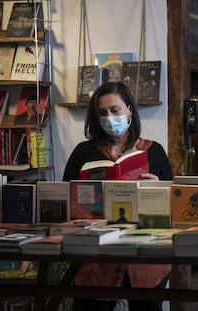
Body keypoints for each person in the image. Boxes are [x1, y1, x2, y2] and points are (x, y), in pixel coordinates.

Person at [63, 81, 173, 311]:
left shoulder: (155, 151)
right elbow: (66, 198)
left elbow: (174, 203)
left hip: (145, 252)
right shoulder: (84, 152)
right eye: (102, 112)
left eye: (115, 110)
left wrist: (159, 189)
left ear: (130, 109)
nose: (109, 117)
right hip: (97, 253)